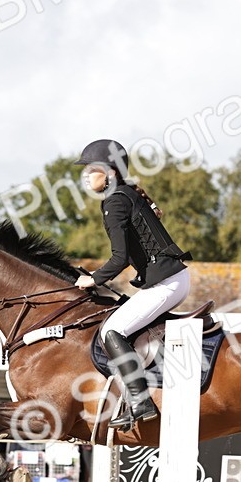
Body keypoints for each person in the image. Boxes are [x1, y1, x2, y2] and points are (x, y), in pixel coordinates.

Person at [72, 139, 192, 430]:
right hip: (170, 279)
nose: (86, 176)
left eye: (92, 169)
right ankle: (134, 396)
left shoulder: (114, 201)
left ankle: (141, 400)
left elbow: (119, 259)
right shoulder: (125, 193)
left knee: (113, 330)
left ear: (111, 172)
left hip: (167, 283)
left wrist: (93, 278)